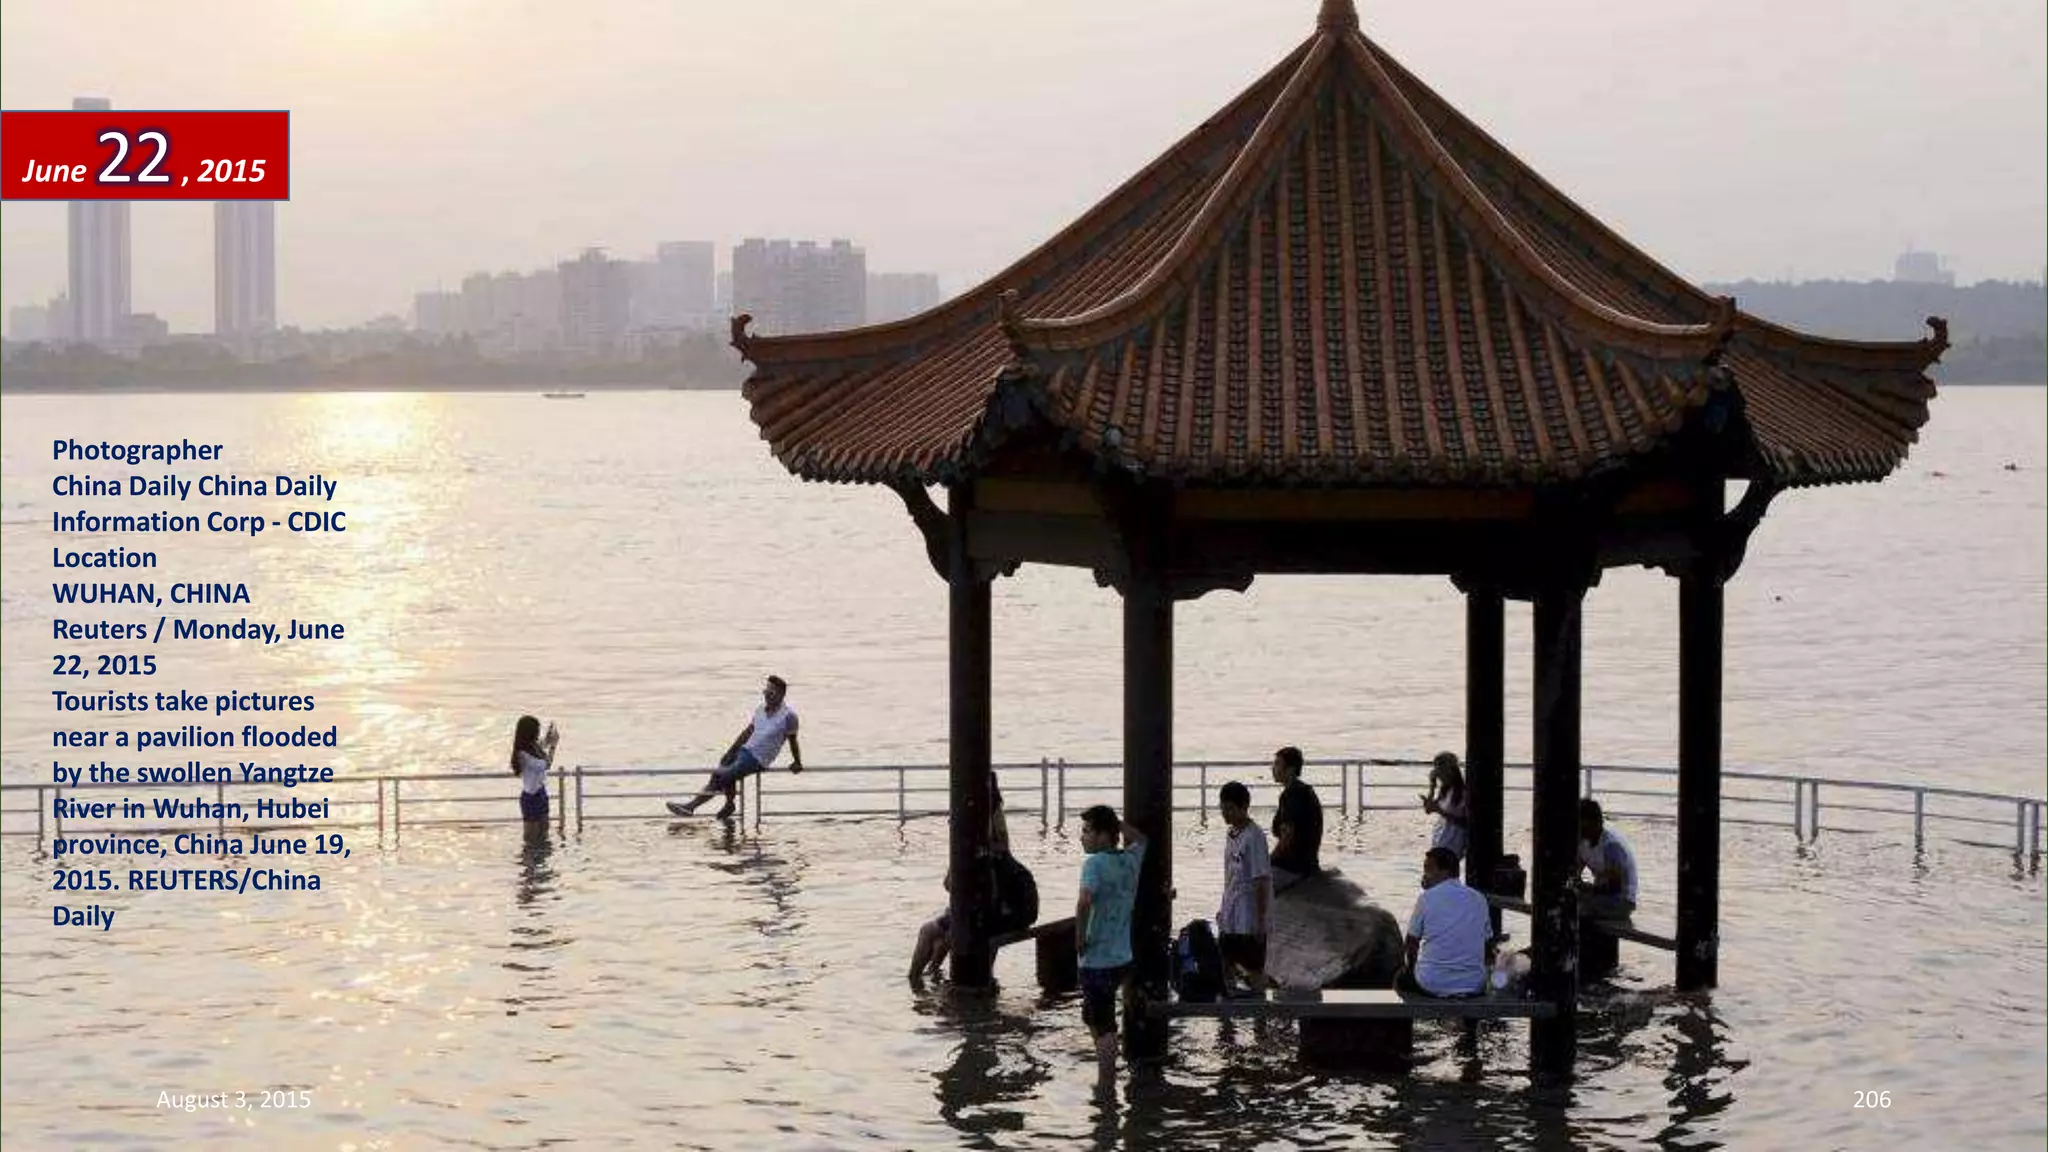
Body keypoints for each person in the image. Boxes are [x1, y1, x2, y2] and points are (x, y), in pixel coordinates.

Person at [909, 774, 1034, 983]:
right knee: (947, 934)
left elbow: (950, 885)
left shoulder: (973, 834)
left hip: (991, 916)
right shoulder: (997, 829)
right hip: (1014, 912)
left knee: (929, 931)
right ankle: (934, 975)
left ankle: (914, 981)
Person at [1075, 804, 1147, 1085]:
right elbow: (1142, 839)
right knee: (1093, 1015)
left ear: (1104, 836)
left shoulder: (1093, 864)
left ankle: (1106, 1085)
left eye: (1087, 831)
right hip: (1122, 956)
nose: (1082, 837)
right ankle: (1109, 1071)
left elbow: (1083, 903)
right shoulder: (1130, 859)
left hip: (1097, 959)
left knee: (1103, 1024)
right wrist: (1119, 823)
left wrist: (1080, 937)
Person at [668, 675, 804, 819]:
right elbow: (749, 731)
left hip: (759, 759)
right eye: (765, 691)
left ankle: (691, 807)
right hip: (746, 750)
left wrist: (797, 761)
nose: (766, 695)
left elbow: (793, 740)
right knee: (724, 764)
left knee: (721, 775)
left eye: (771, 692)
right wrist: (731, 750)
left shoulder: (789, 716)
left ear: (781, 694)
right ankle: (729, 804)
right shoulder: (760, 709)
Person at [1397, 846, 1492, 997]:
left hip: (1432, 982)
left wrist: (1411, 969)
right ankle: (1469, 1020)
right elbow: (1487, 943)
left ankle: (1421, 1016)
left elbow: (1411, 941)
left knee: (1401, 979)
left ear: (1445, 871)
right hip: (1474, 983)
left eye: (1428, 869)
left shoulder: (1426, 898)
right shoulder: (1479, 898)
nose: (1424, 875)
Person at [1215, 781, 1272, 994]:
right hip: (1231, 914)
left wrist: (1260, 920)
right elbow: (1229, 876)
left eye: (1230, 808)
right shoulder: (1231, 835)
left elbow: (1261, 880)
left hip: (1249, 918)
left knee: (1255, 969)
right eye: (1223, 808)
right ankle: (1227, 1024)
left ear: (1243, 807)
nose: (1225, 813)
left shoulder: (1254, 837)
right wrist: (1223, 908)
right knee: (1225, 965)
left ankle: (1261, 1020)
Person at [1268, 745, 1323, 888]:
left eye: (1277, 764)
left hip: (1293, 867)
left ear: (1290, 769)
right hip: (1306, 864)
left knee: (1246, 887)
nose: (1273, 768)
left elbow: (1287, 837)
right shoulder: (1304, 791)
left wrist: (1268, 861)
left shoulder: (1292, 795)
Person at [1577, 798, 1639, 919]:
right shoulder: (1583, 842)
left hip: (1622, 900)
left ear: (1594, 823)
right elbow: (1575, 871)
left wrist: (1587, 889)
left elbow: (1614, 887)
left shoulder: (1611, 846)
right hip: (1601, 896)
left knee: (1578, 912)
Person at [509, 715, 560, 827]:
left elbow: (542, 745)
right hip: (531, 797)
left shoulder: (532, 747)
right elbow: (545, 765)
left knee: (544, 829)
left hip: (541, 793)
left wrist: (549, 737)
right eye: (537, 730)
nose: (538, 733)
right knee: (532, 833)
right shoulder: (523, 754)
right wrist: (553, 748)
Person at [1422, 750, 1470, 867]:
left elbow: (1466, 823)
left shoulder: (1462, 792)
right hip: (1440, 840)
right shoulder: (1445, 790)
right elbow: (1428, 810)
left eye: (1441, 771)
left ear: (1451, 770)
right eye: (1436, 771)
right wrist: (1432, 787)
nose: (1438, 775)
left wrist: (1439, 811)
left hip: (1452, 844)